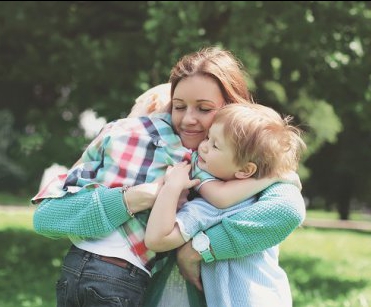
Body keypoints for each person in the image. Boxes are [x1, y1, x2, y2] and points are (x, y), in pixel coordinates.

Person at [31, 47, 306, 307]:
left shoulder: (256, 164)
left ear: (232, 110)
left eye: (204, 109)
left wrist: (198, 250)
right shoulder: (148, 151)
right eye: (178, 106)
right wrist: (135, 197)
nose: (188, 119)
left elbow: (286, 210)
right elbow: (47, 216)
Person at [145, 103, 306, 307]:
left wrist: (172, 186)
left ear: (245, 170)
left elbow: (157, 239)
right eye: (207, 138)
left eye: (215, 145)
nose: (202, 147)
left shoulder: (212, 208)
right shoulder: (261, 199)